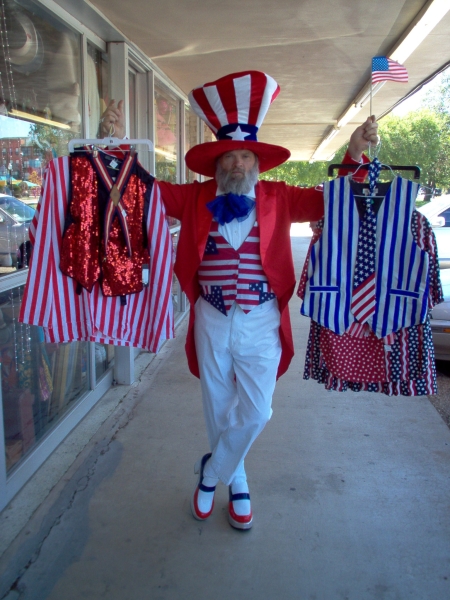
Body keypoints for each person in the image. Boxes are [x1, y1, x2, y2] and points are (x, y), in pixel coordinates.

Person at [100, 71, 379, 530]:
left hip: (261, 318)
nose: (237, 163)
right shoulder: (193, 198)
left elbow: (339, 200)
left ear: (257, 162)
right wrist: (112, 148)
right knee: (217, 402)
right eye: (229, 155)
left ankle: (213, 470)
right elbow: (140, 190)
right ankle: (238, 480)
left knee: (257, 409)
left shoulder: (279, 198)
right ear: (217, 162)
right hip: (210, 315)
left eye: (245, 155)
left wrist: (353, 153)